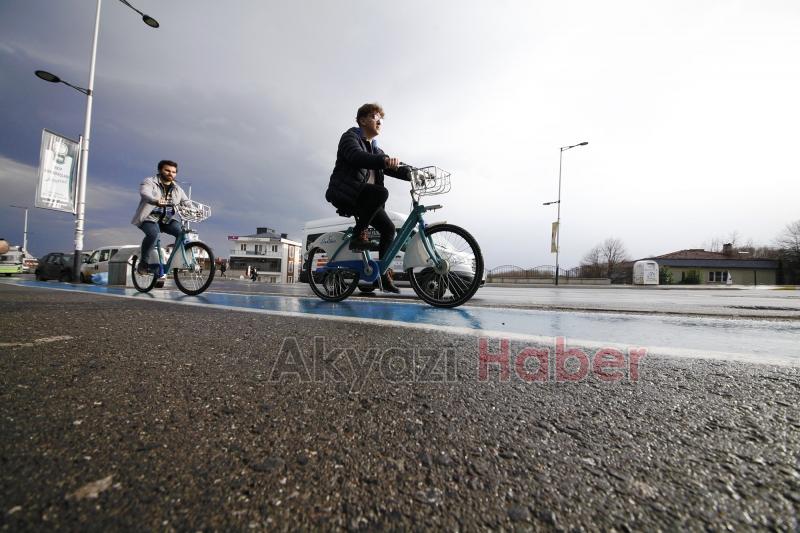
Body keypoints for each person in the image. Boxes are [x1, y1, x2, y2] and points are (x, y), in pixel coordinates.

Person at [325, 103, 411, 294]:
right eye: (374, 116)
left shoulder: (377, 151)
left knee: (389, 229)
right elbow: (356, 156)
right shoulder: (350, 137)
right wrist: (384, 161)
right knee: (381, 193)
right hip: (346, 194)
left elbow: (394, 166)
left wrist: (413, 172)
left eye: (381, 118)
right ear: (363, 120)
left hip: (366, 198)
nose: (379, 120)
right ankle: (358, 234)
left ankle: (381, 275)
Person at [130, 160, 191, 275]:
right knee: (154, 234)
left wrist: (194, 210)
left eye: (173, 172)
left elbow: (186, 202)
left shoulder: (178, 189)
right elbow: (144, 193)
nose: (170, 174)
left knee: (181, 233)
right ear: (160, 170)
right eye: (167, 170)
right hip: (148, 219)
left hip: (166, 220)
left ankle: (174, 261)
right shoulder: (150, 182)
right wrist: (155, 201)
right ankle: (143, 263)